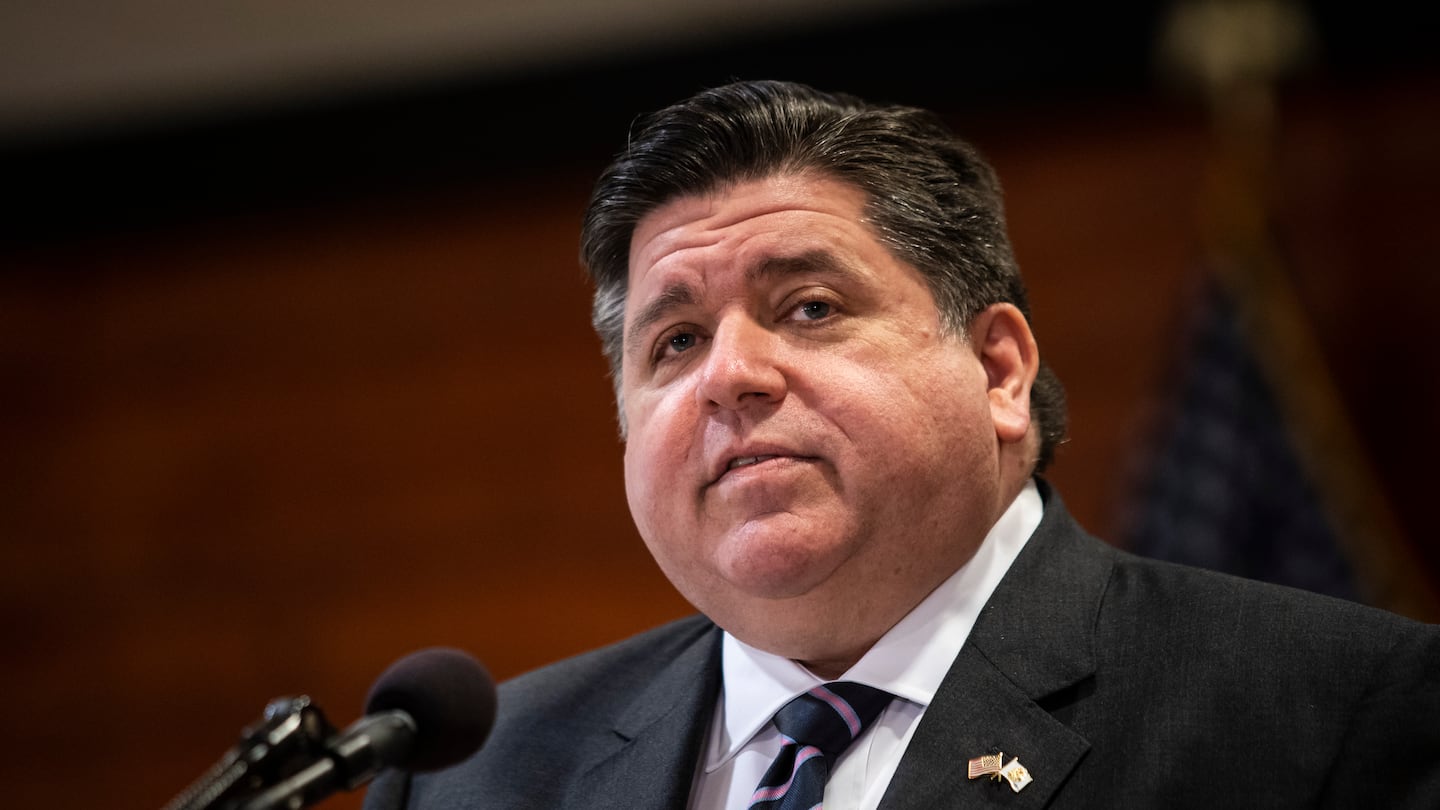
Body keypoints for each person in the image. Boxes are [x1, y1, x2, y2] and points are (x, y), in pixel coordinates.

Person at [365, 80, 1440, 809]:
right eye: (676, 340)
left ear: (1000, 371)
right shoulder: (474, 775)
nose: (729, 376)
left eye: (811, 307)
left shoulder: (1333, 715)